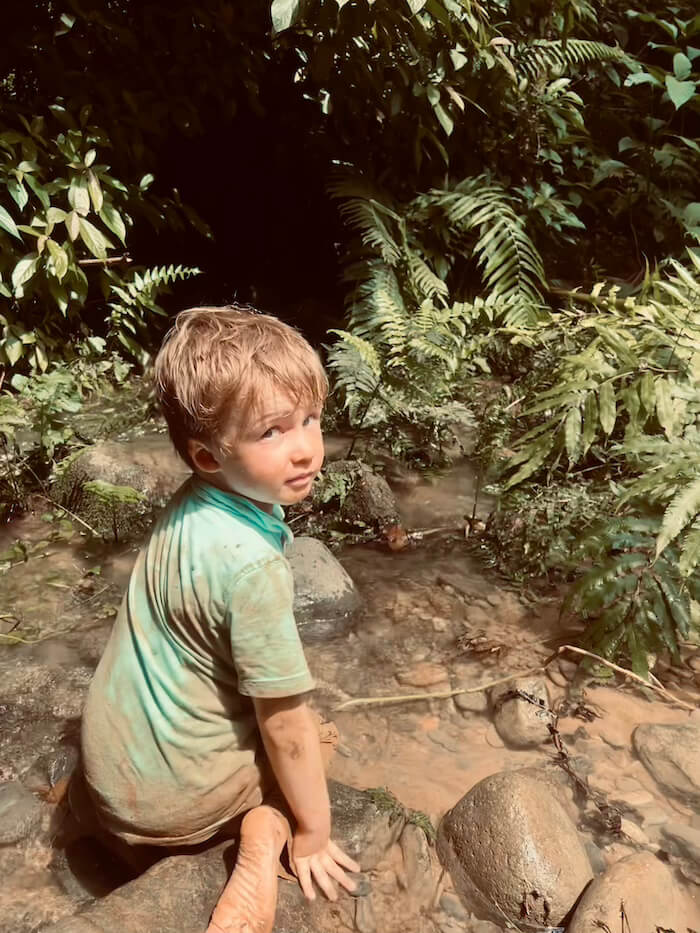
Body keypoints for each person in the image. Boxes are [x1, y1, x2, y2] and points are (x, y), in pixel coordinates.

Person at [77, 306, 360, 933]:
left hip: (111, 783)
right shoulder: (252, 567)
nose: (305, 449)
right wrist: (314, 832)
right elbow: (282, 723)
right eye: (272, 432)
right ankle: (264, 836)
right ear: (208, 457)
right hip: (175, 805)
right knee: (319, 739)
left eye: (310, 419)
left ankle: (86, 807)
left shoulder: (189, 509)